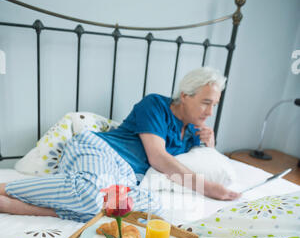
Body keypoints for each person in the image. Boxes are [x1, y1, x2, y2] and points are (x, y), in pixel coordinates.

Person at [0, 67, 240, 222]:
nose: (210, 112)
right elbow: (157, 157)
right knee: (94, 194)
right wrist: (210, 188)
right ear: (186, 96)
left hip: (126, 177)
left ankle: (11, 204)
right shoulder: (156, 105)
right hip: (99, 150)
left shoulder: (194, 135)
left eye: (214, 105)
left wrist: (211, 145)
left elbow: (207, 161)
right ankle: (7, 191)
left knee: (148, 212)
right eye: (205, 103)